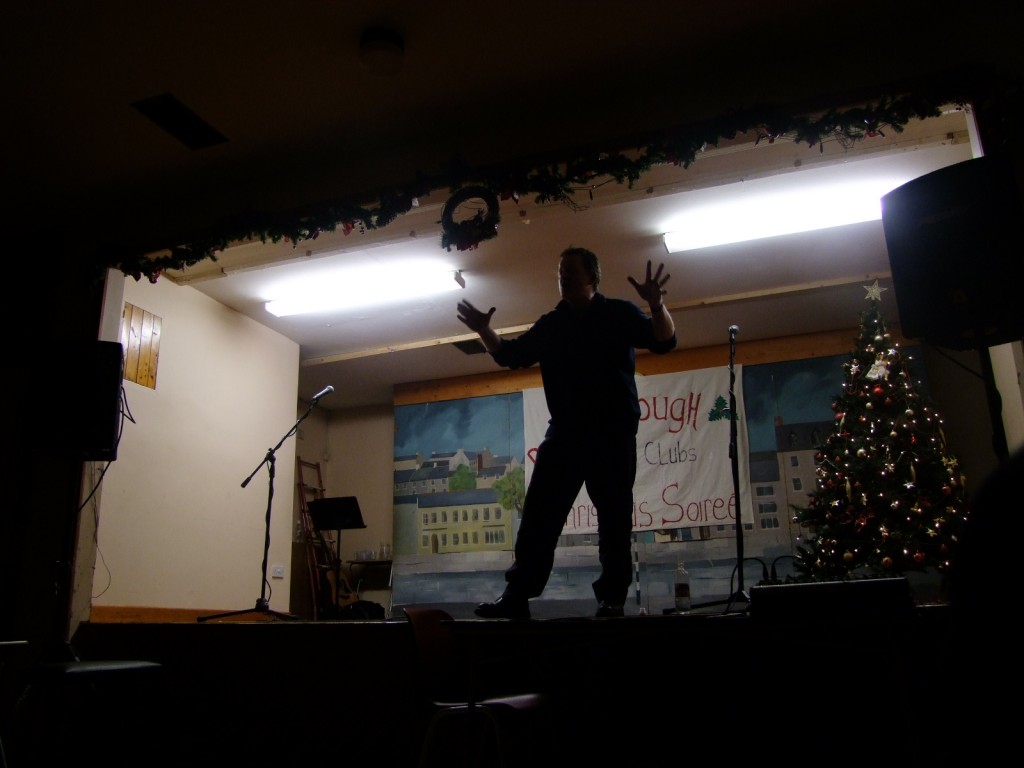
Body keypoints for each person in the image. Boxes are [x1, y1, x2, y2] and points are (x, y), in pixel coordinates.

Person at [456, 246, 677, 619]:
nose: (563, 277)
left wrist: (657, 306)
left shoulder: (618, 313)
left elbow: (664, 341)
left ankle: (612, 598)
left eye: (570, 271)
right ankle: (517, 595)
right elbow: (510, 355)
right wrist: (484, 330)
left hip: (611, 435)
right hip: (566, 435)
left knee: (614, 518)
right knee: (540, 513)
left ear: (592, 275)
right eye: (560, 272)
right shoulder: (552, 325)